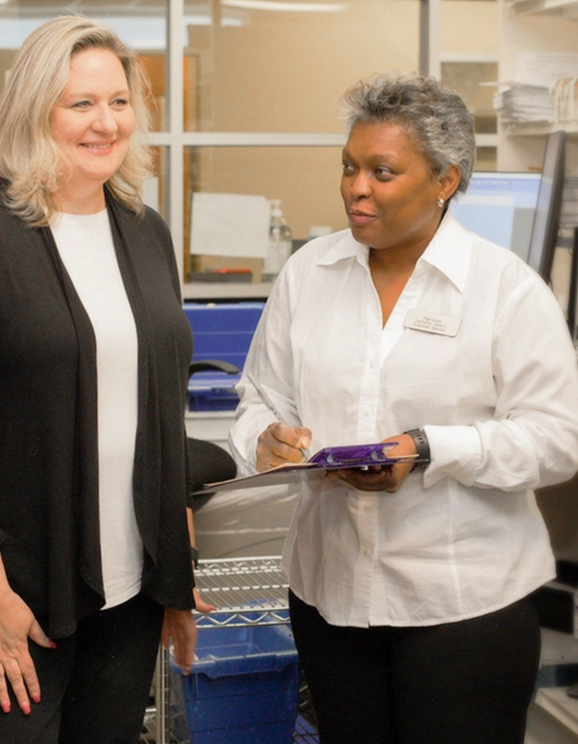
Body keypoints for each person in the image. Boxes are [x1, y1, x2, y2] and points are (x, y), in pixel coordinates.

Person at [229, 71, 578, 744]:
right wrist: (264, 438)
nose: (356, 188)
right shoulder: (310, 274)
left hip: (461, 604)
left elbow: (558, 437)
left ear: (443, 180)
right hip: (328, 596)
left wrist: (428, 449)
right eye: (349, 167)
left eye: (382, 172)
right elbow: (261, 396)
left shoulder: (504, 290)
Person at [0, 15, 210, 744]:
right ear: (36, 110)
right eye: (81, 104)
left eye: (119, 101)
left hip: (129, 596)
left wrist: (174, 572)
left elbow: (157, 411)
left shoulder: (143, 228)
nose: (106, 123)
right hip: (13, 594)